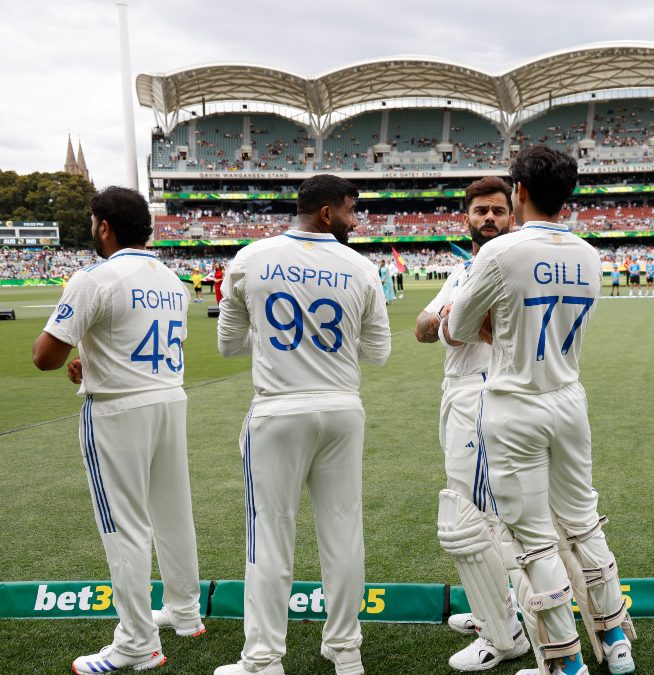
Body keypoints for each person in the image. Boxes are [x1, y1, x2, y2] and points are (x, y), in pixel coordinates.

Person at [446, 146, 635, 675]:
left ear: (520, 192)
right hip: (569, 398)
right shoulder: (590, 254)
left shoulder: (500, 254)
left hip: (515, 403)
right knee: (583, 524)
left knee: (533, 542)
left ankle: (565, 663)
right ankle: (616, 641)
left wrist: (498, 327)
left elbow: (456, 328)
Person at [214, 174, 392, 675]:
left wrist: (279, 343)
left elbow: (229, 344)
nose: (356, 221)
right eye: (351, 211)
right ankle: (345, 651)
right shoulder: (360, 266)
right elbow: (378, 352)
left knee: (268, 534)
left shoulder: (251, 258)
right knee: (343, 531)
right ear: (327, 212)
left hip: (278, 409)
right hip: (341, 408)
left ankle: (265, 659)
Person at [32, 186, 203, 673]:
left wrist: (84, 358)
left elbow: (45, 357)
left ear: (103, 226)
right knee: (172, 511)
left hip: (116, 409)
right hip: (169, 398)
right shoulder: (172, 279)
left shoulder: (94, 278)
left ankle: (136, 644)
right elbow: (168, 343)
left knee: (122, 525)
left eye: (93, 222)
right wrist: (93, 358)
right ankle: (186, 611)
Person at [414, 177, 530, 672]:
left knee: (483, 519)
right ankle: (493, 611)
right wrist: (446, 315)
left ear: (512, 215)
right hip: (457, 394)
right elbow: (424, 329)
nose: (488, 218)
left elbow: (471, 333)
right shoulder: (465, 268)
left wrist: (449, 320)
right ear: (466, 218)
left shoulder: (512, 265)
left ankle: (505, 631)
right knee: (473, 511)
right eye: (480, 210)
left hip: (488, 396)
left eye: (497, 211)